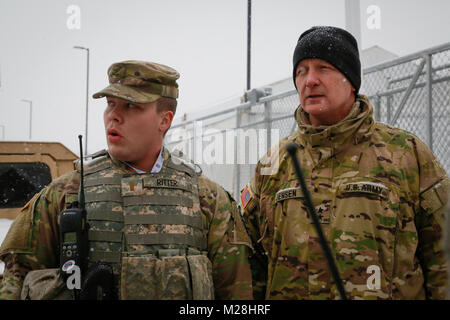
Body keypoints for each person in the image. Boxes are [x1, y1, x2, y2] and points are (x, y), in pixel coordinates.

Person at [0, 60, 253, 300]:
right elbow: (16, 279)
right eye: (110, 103)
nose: (113, 115)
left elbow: (238, 294)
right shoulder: (65, 193)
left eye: (130, 106)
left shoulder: (209, 199)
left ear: (164, 120)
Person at [241, 26, 449, 300]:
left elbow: (442, 258)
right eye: (301, 71)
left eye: (323, 68)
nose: (310, 80)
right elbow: (246, 262)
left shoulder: (405, 154)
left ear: (350, 80)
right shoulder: (274, 163)